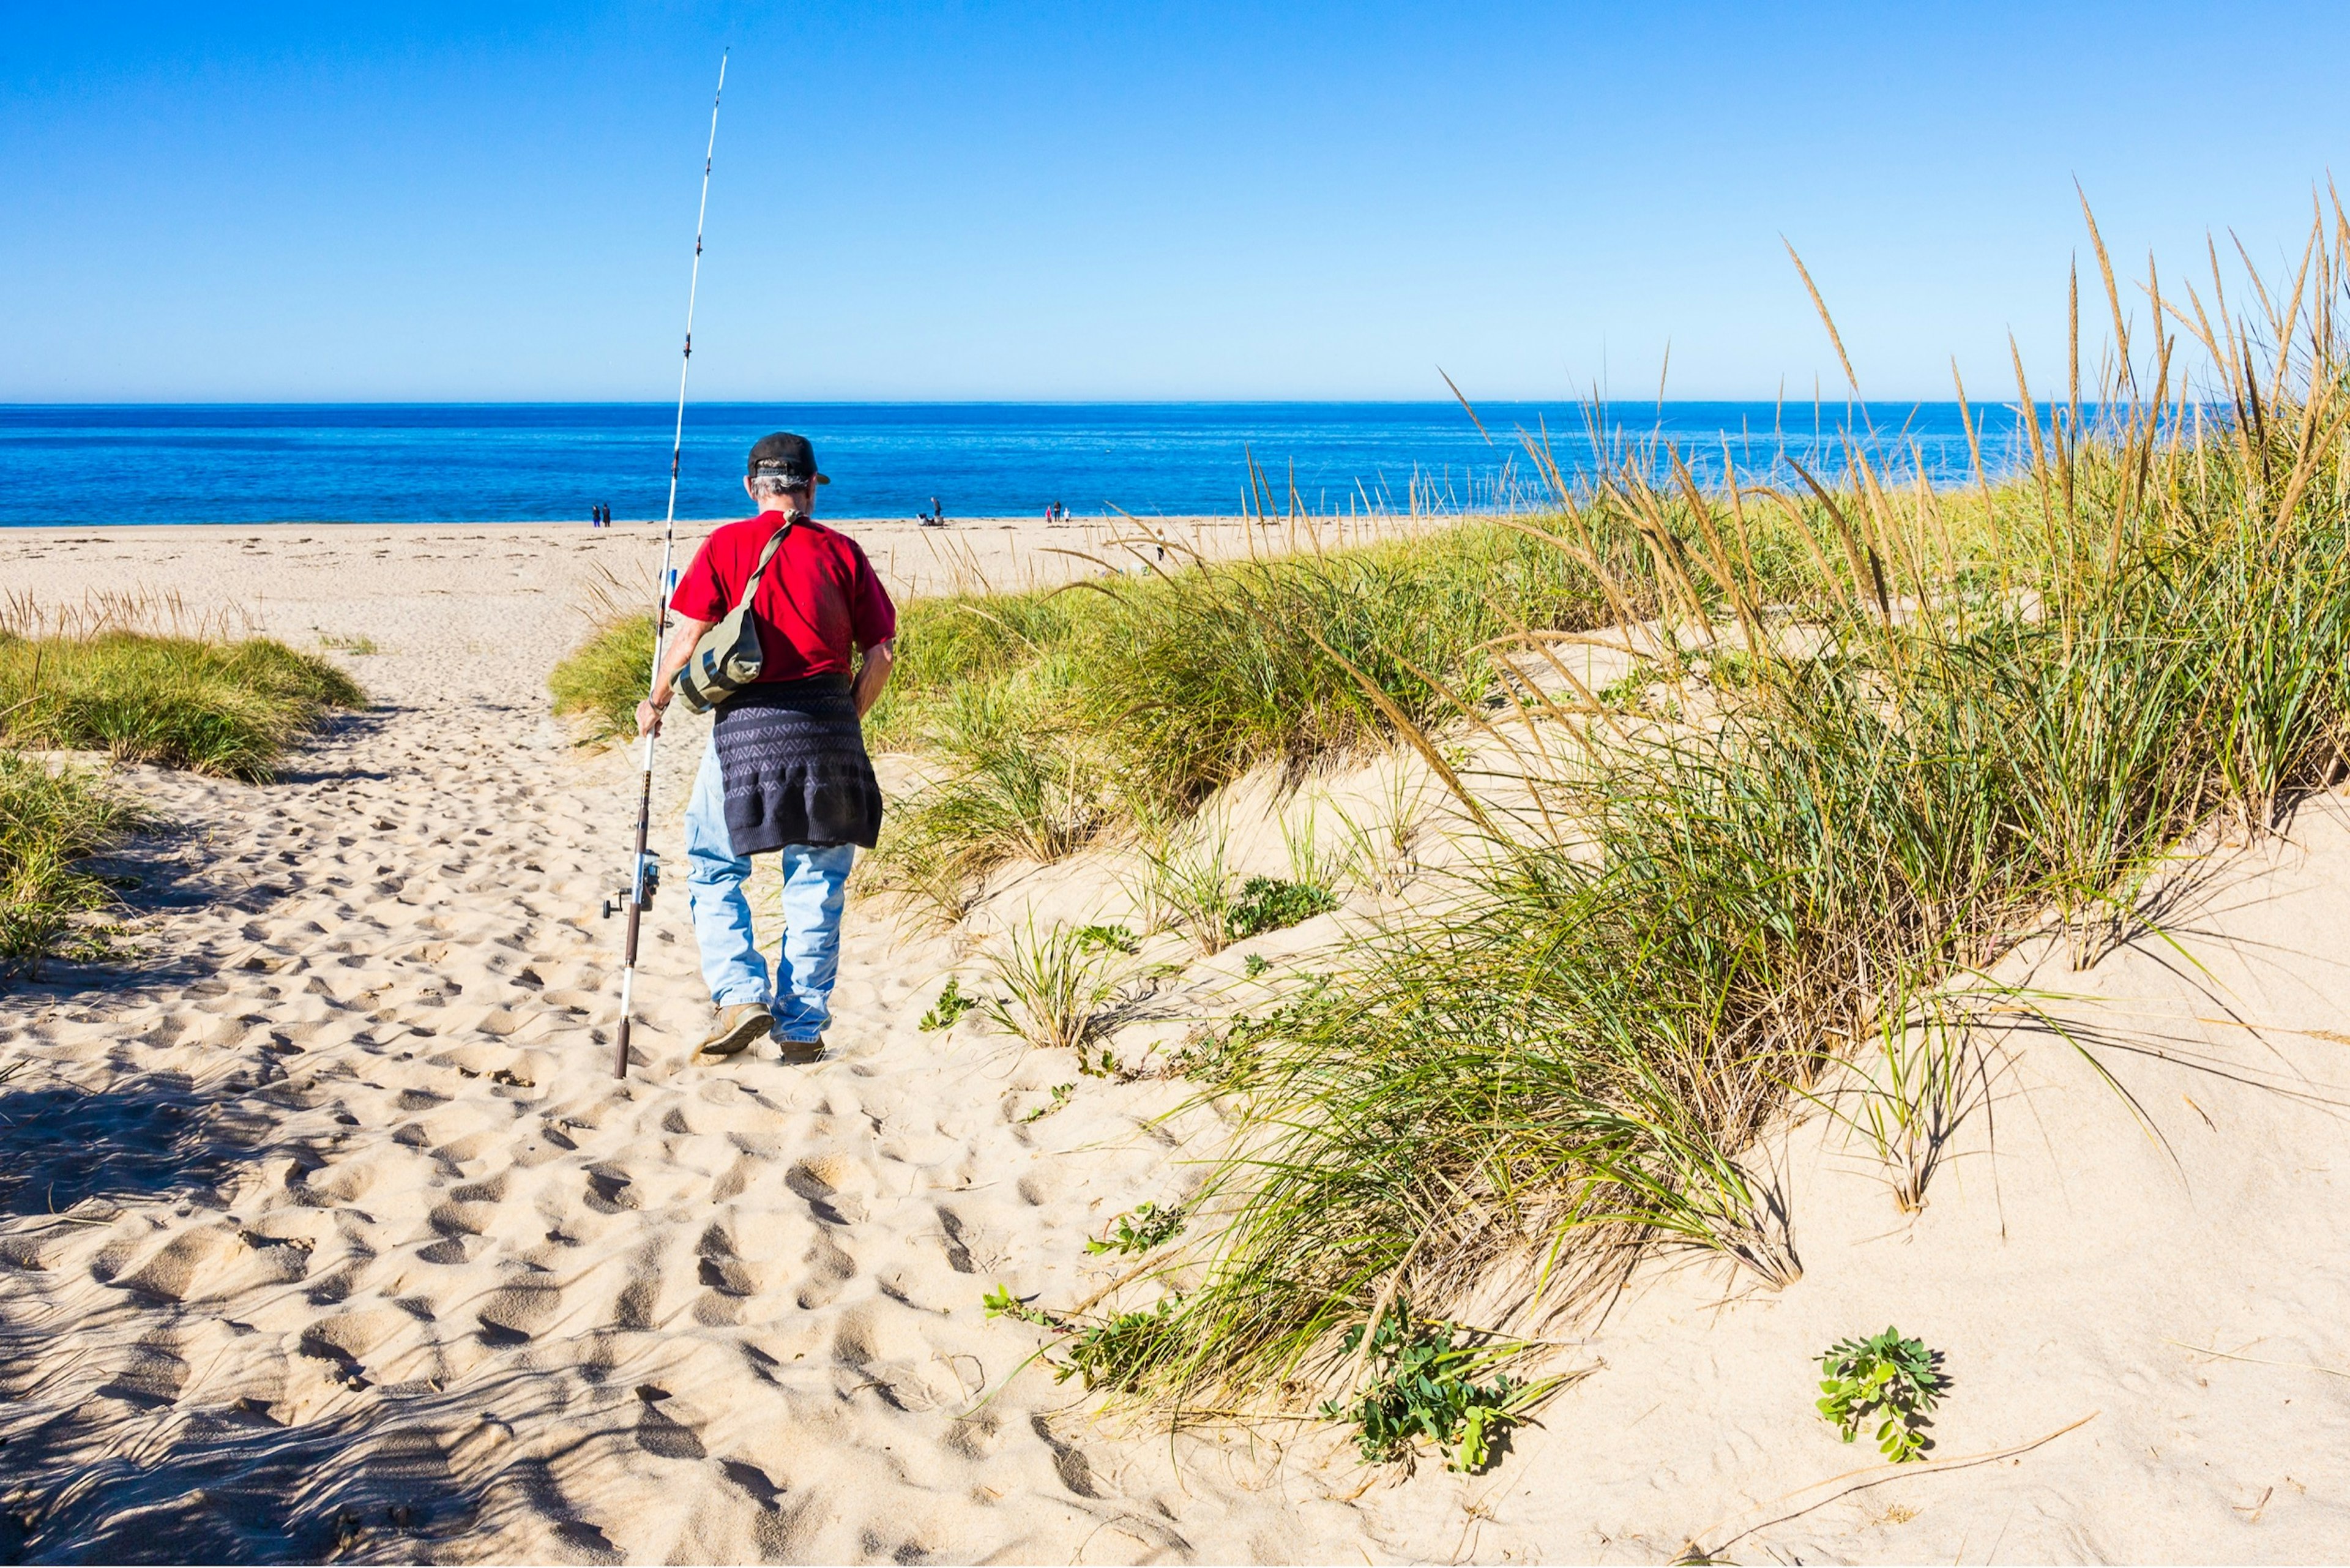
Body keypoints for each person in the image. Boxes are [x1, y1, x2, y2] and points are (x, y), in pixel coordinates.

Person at [636, 432, 897, 1063]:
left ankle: (740, 995)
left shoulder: (726, 544)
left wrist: (656, 702)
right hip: (831, 737)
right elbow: (881, 655)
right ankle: (802, 1027)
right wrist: (845, 716)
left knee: (715, 865)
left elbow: (688, 638)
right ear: (809, 488)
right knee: (816, 882)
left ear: (752, 488)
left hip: (746, 737)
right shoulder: (842, 552)